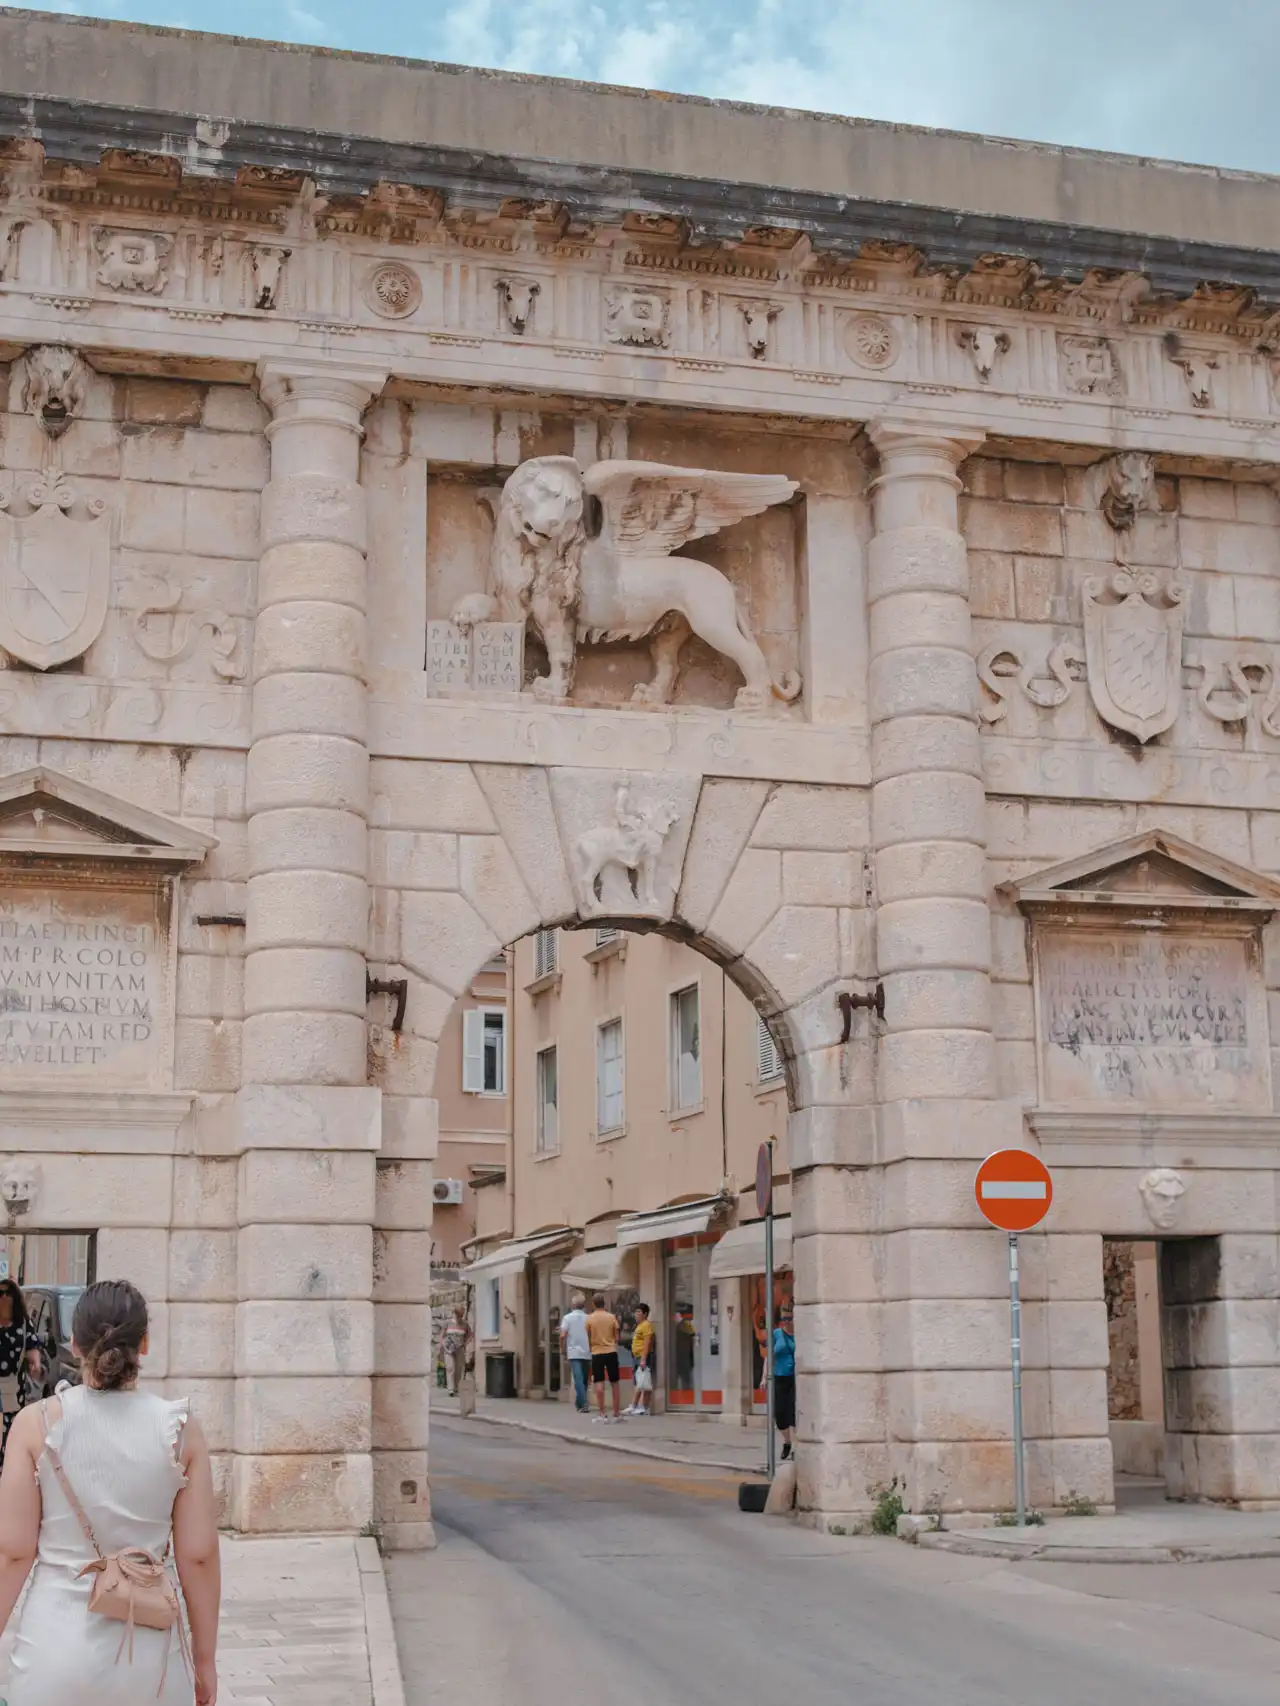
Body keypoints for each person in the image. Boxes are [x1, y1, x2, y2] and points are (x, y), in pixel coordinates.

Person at [0, 1278, 221, 1705]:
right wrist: (205, 1660)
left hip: (52, 1652)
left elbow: (13, 1552)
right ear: (145, 1344)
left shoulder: (35, 1424)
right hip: (152, 1658)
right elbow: (198, 1555)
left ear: (74, 1344)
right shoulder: (180, 1431)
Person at [0, 1281, 44, 1465]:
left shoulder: (23, 1325)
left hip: (13, 1386)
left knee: (11, 1429)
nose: (3, 1297)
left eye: (7, 1293)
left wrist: (36, 1363)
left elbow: (33, 1348)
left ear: (15, 1298)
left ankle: (8, 1465)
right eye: (0, 1293)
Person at [585, 1292, 621, 1423]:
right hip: (611, 1351)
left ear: (593, 1304)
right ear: (604, 1303)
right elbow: (617, 1336)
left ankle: (602, 1413)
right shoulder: (612, 1317)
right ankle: (616, 1413)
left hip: (597, 1353)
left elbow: (588, 1336)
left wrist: (592, 1346)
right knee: (615, 1383)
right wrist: (612, 1344)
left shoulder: (589, 1319)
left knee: (599, 1382)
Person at [558, 1293, 591, 1414]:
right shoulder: (589, 1318)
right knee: (584, 1379)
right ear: (583, 1305)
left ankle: (583, 1403)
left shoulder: (567, 1318)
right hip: (587, 1351)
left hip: (574, 1352)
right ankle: (581, 1403)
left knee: (578, 1378)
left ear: (572, 1305)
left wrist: (562, 1349)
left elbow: (562, 1335)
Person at [773, 1302, 796, 1461]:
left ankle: (794, 1446)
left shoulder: (799, 1334)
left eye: (789, 1319)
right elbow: (769, 1355)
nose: (786, 1322)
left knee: (793, 1412)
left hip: (795, 1377)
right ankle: (787, 1442)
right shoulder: (776, 1334)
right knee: (780, 1414)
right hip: (779, 1376)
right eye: (783, 1319)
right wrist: (763, 1376)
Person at [624, 1301, 655, 1417]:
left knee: (645, 1382)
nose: (636, 1315)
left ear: (645, 1314)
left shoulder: (646, 1325)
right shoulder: (639, 1326)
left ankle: (644, 1407)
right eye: (635, 1312)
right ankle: (634, 1405)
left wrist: (643, 1358)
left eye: (639, 1312)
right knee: (638, 1382)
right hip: (636, 1356)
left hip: (643, 1357)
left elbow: (647, 1342)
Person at [440, 1306, 472, 1398]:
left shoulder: (465, 1325)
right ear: (454, 1313)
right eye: (457, 1314)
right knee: (450, 1368)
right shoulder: (448, 1323)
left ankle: (456, 1388)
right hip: (448, 1349)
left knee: (458, 1369)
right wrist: (442, 1343)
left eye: (461, 1315)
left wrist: (465, 1343)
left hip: (459, 1348)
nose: (459, 1317)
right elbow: (442, 1334)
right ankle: (450, 1389)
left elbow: (469, 1336)